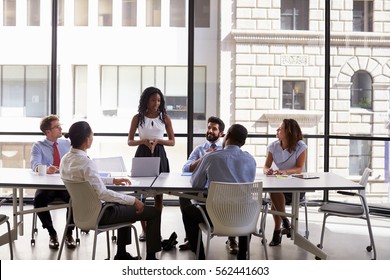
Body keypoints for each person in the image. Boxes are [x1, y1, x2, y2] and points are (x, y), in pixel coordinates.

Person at [60, 121, 161, 260]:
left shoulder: (65, 159)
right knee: (154, 212)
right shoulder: (86, 162)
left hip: (81, 215)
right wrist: (134, 201)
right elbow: (103, 193)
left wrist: (112, 181)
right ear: (87, 140)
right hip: (101, 215)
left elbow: (88, 181)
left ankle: (121, 254)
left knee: (124, 202)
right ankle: (151, 259)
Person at [181, 124, 256, 260]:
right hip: (244, 217)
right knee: (245, 208)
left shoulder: (211, 157)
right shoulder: (251, 159)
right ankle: (242, 256)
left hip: (216, 216)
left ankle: (200, 257)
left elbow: (196, 184)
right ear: (243, 143)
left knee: (187, 210)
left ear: (227, 136)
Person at [179, 116, 238, 254]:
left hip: (224, 193)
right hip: (203, 191)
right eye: (209, 127)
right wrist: (205, 158)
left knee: (231, 197)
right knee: (184, 197)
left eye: (214, 128)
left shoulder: (227, 150)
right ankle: (192, 237)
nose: (210, 130)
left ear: (222, 133)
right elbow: (186, 168)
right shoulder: (199, 149)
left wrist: (216, 156)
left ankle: (232, 239)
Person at [127, 86, 175, 242]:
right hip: (142, 154)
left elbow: (172, 141)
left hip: (159, 155)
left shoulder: (165, 118)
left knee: (158, 196)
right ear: (146, 100)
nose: (156, 103)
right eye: (153, 100)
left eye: (159, 100)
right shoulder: (137, 118)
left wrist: (158, 141)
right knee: (141, 195)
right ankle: (145, 230)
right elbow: (130, 141)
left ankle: (155, 230)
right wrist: (144, 141)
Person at [30, 114, 75, 250]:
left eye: (60, 125)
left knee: (76, 198)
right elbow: (35, 164)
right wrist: (45, 168)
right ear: (48, 132)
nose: (61, 128)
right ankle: (52, 233)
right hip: (47, 185)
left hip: (66, 183)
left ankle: (69, 233)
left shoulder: (67, 144)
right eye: (57, 127)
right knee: (38, 200)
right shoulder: (38, 146)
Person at [263, 118, 307, 246]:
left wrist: (285, 172)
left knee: (274, 199)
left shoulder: (300, 147)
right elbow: (266, 166)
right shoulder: (273, 146)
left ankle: (277, 231)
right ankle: (285, 221)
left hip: (296, 186)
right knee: (274, 191)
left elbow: (299, 168)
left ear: (288, 132)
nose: (277, 130)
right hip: (280, 185)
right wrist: (267, 171)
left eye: (280, 128)